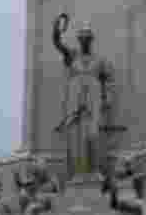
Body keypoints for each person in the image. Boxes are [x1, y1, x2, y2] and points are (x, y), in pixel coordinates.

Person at [52, 14, 115, 178]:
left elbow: (108, 79)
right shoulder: (72, 55)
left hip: (93, 98)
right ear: (79, 40)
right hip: (74, 98)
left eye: (87, 38)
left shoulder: (100, 60)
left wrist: (107, 97)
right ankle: (75, 173)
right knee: (74, 135)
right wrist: (56, 29)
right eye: (82, 38)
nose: (84, 41)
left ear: (91, 40)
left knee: (93, 134)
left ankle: (93, 171)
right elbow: (58, 44)